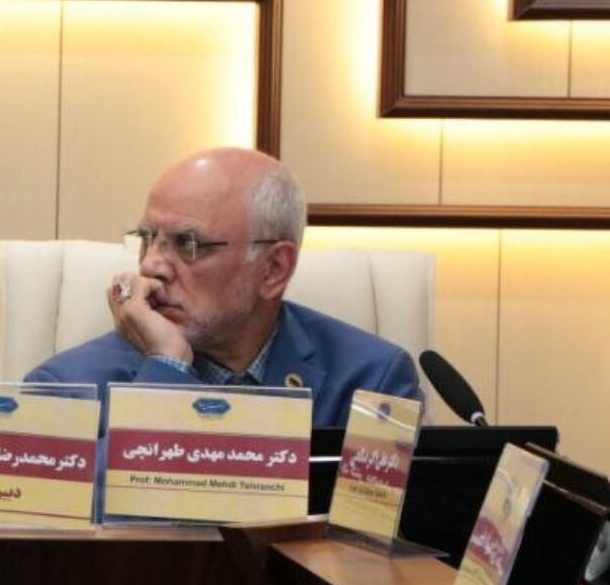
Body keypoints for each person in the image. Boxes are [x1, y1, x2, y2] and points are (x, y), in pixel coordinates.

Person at [27, 147, 420, 423]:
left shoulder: (370, 383)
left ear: (273, 270)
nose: (150, 265)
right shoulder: (66, 390)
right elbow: (103, 514)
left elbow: (374, 522)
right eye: (147, 238)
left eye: (188, 244)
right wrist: (166, 366)